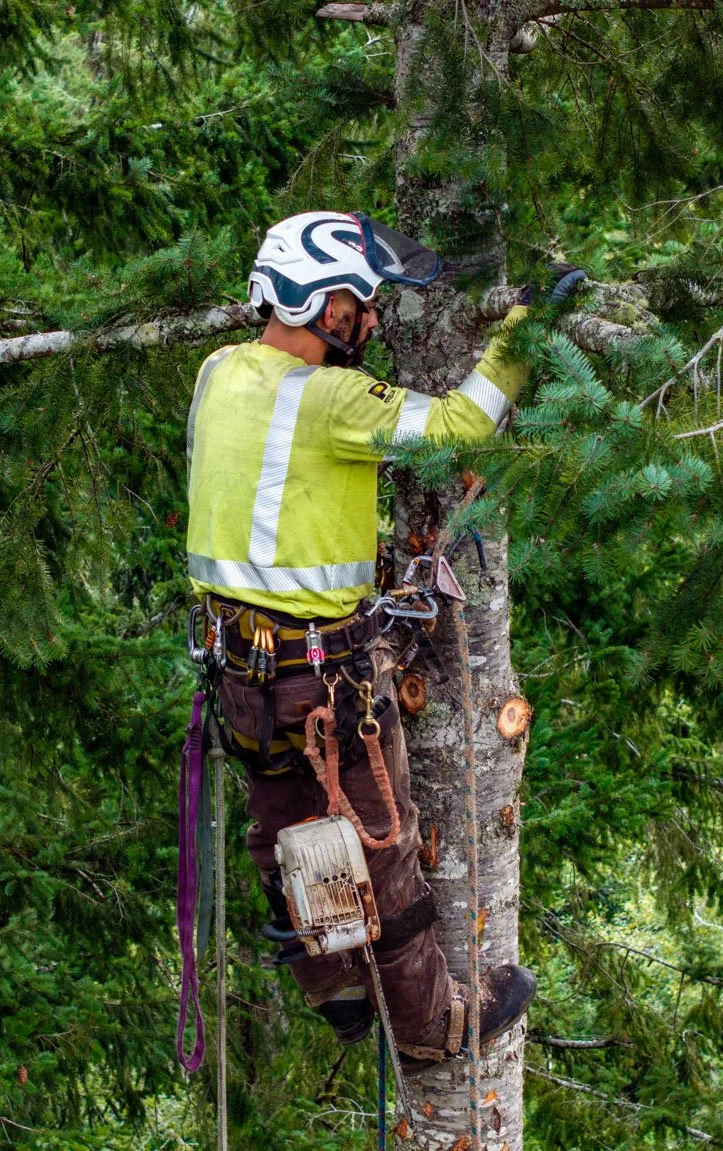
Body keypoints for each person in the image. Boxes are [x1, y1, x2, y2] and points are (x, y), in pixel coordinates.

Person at [185, 210, 536, 1068]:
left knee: (284, 829)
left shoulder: (218, 372)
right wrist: (525, 339)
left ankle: (337, 988)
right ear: (320, 304)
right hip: (323, 679)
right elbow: (457, 424)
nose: (369, 321)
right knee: (380, 846)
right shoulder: (330, 398)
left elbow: (278, 498)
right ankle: (432, 1028)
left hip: (238, 674)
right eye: (358, 303)